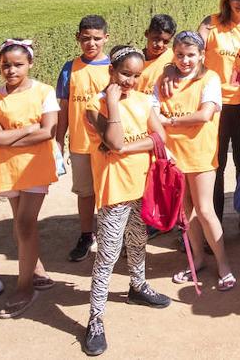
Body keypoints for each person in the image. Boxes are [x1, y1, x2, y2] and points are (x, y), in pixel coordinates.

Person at [82, 46, 170, 356]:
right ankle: (95, 318)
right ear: (111, 72)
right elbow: (115, 138)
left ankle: (138, 286)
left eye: (136, 75)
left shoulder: (145, 101)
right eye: (124, 74)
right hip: (114, 191)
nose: (131, 81)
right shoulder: (94, 106)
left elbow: (159, 138)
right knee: (107, 255)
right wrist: (113, 103)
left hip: (141, 185)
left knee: (138, 240)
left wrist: (123, 149)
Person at [0, 39, 58, 318]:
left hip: (35, 167)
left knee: (25, 224)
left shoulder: (44, 92)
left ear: (30, 64)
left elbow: (47, 132)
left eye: (18, 65)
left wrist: (6, 137)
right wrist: (27, 129)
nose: (11, 70)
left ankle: (24, 287)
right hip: (8, 169)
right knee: (21, 224)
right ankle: (37, 271)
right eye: (5, 65)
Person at [156, 30, 234, 291]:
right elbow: (152, 113)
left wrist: (170, 121)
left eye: (191, 55)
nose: (185, 60)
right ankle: (198, 259)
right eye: (179, 55)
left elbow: (204, 114)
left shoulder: (210, 79)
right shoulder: (164, 80)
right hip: (173, 155)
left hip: (200, 153)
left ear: (202, 55)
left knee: (204, 209)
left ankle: (223, 264)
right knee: (185, 213)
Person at [197, 0, 240, 221]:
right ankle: (215, 223)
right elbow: (189, 51)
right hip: (216, 107)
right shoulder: (211, 24)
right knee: (216, 165)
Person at [55, 15, 112, 262]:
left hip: (108, 144)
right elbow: (64, 108)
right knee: (85, 192)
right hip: (80, 144)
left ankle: (111, 237)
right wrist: (58, 141)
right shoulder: (70, 68)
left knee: (111, 193)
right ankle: (86, 234)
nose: (91, 43)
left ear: (106, 39)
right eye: (86, 38)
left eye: (97, 39)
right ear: (78, 38)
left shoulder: (113, 68)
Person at [136, 14, 175, 95]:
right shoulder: (133, 60)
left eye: (165, 41)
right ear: (147, 33)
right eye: (156, 39)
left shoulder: (174, 57)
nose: (160, 45)